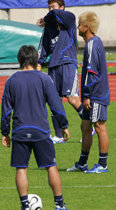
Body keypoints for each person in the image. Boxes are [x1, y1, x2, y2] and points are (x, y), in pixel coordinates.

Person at [1, 45, 71, 210]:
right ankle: (59, 206)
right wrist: (64, 125)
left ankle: (25, 208)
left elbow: (6, 110)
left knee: (21, 169)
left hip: (20, 130)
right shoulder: (44, 79)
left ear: (19, 60)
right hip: (41, 130)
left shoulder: (11, 80)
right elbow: (56, 104)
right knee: (51, 166)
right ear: (35, 59)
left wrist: (5, 132)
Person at [37, 0, 85, 144]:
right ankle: (58, 136)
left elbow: (55, 14)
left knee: (72, 99)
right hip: (53, 65)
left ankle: (90, 125)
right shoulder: (49, 26)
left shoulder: (69, 18)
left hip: (68, 63)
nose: (51, 9)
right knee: (53, 100)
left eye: (53, 6)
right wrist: (40, 63)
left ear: (62, 7)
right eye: (49, 6)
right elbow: (45, 46)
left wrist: (46, 17)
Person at [67, 12, 110, 173]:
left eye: (79, 24)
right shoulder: (92, 43)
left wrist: (86, 96)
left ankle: (103, 164)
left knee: (99, 126)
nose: (77, 27)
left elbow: (92, 74)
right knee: (85, 126)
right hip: (93, 94)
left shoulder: (92, 44)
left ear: (87, 27)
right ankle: (82, 162)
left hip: (96, 94)